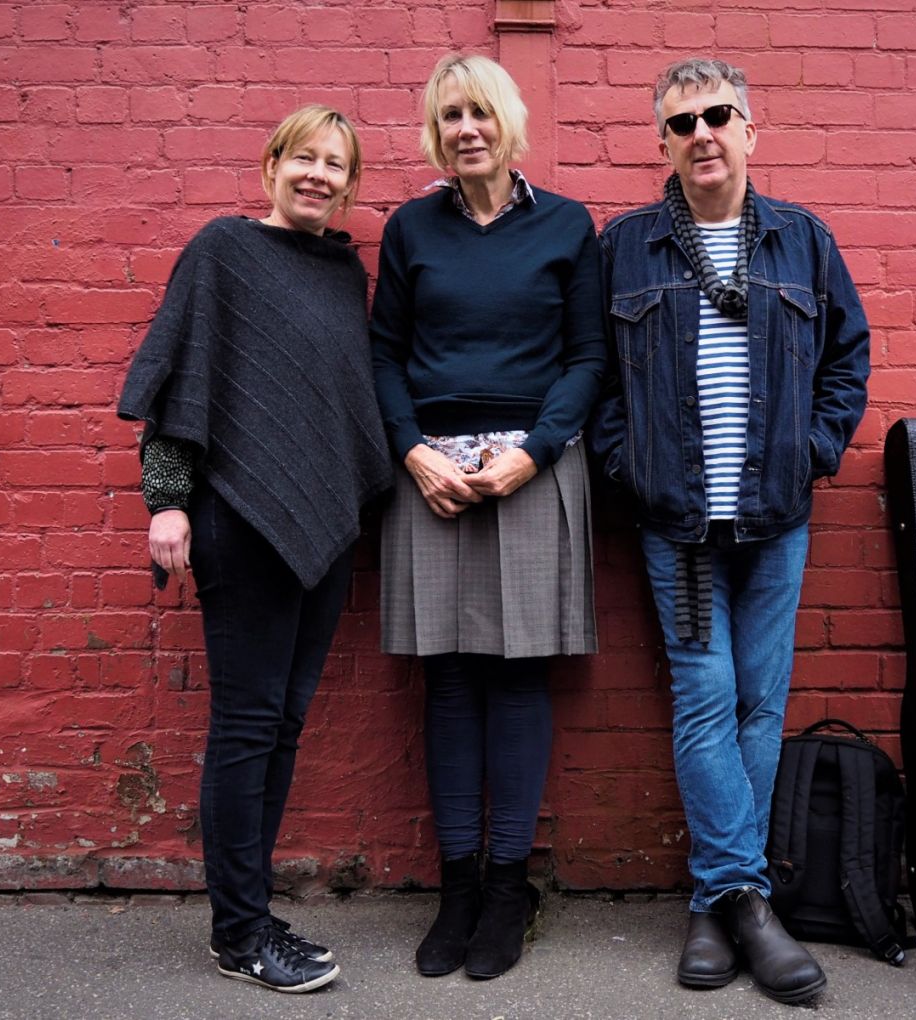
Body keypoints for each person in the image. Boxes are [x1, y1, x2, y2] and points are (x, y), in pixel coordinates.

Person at [588, 58, 871, 1004]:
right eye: (682, 122)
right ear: (661, 143)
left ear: (752, 129)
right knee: (708, 701)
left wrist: (812, 452)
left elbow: (848, 360)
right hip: (679, 531)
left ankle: (719, 905)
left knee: (761, 703)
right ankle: (748, 903)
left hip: (774, 519)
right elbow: (591, 380)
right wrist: (629, 471)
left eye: (719, 116)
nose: (702, 133)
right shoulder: (625, 246)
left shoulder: (803, 241)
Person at [116, 105, 391, 995]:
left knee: (282, 726)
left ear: (349, 185)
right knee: (244, 728)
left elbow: (340, 403)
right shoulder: (223, 252)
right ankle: (237, 933)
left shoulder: (343, 274)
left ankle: (250, 908)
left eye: (335, 166)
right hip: (237, 521)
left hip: (322, 533)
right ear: (272, 164)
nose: (318, 175)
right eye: (303, 158)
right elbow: (177, 377)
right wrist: (167, 501)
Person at [369, 53, 606, 981]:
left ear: (509, 122)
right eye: (449, 115)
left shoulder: (566, 227)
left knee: (517, 681)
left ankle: (510, 886)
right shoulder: (410, 228)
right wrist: (411, 450)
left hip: (532, 469)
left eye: (480, 113)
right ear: (436, 131)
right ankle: (458, 886)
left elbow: (588, 358)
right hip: (429, 472)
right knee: (451, 681)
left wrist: (534, 453)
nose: (466, 129)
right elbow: (383, 353)